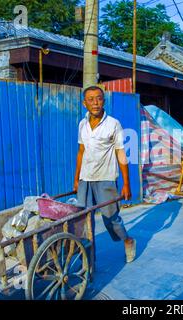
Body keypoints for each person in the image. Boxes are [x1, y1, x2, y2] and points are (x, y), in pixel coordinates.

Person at [74, 86, 136, 263]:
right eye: (91, 99)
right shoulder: (82, 124)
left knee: (111, 219)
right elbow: (81, 151)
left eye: (99, 98)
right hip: (86, 178)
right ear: (84, 103)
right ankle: (88, 257)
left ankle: (128, 240)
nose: (95, 103)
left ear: (104, 101)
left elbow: (121, 153)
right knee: (83, 220)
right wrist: (77, 179)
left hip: (106, 178)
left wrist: (126, 184)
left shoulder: (113, 124)